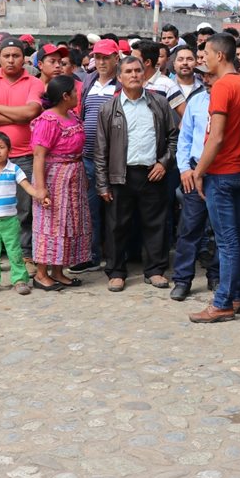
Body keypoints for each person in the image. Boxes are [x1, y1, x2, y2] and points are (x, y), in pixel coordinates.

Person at [189, 33, 240, 323]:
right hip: (239, 170)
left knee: (227, 242)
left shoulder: (222, 86)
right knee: (239, 239)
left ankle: (223, 302)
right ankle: (235, 296)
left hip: (221, 172)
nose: (203, 58)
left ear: (220, 55)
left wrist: (198, 171)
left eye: (206, 53)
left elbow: (215, 137)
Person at [95, 55, 179, 292]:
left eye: (137, 71)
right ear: (119, 77)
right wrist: (102, 184)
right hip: (120, 175)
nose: (134, 75)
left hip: (153, 173)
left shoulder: (159, 103)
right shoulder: (108, 108)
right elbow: (100, 149)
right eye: (128, 71)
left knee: (156, 224)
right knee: (116, 226)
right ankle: (116, 271)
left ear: (144, 74)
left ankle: (155, 270)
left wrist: (164, 163)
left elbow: (174, 138)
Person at [0, 38, 45, 265]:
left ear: (24, 58)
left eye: (16, 55)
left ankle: (24, 255)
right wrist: (17, 115)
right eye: (7, 56)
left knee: (23, 209)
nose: (11, 60)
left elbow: (30, 113)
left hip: (23, 156)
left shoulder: (34, 83)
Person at [30, 75, 91, 290]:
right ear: (65, 96)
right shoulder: (48, 120)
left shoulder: (72, 116)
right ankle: (41, 274)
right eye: (74, 92)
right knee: (51, 224)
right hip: (54, 178)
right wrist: (41, 188)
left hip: (73, 177)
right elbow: (39, 155)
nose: (77, 95)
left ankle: (58, 271)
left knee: (68, 224)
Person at [170, 64, 220, 302]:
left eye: (211, 75)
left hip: (222, 172)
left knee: (221, 231)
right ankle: (182, 279)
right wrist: (184, 169)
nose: (206, 79)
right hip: (194, 170)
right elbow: (185, 138)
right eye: (204, 75)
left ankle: (217, 276)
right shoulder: (196, 102)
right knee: (189, 228)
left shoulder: (234, 99)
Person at [74, 38, 121, 273]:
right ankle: (92, 254)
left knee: (115, 210)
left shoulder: (121, 83)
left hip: (115, 159)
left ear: (116, 58)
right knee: (90, 208)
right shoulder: (89, 81)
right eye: (98, 58)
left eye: (106, 58)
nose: (101, 62)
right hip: (89, 157)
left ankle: (116, 257)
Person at [0, 132, 38, 296]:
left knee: (15, 251)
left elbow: (27, 186)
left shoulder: (14, 169)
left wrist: (39, 195)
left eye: (1, 147)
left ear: (9, 150)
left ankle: (19, 280)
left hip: (10, 220)